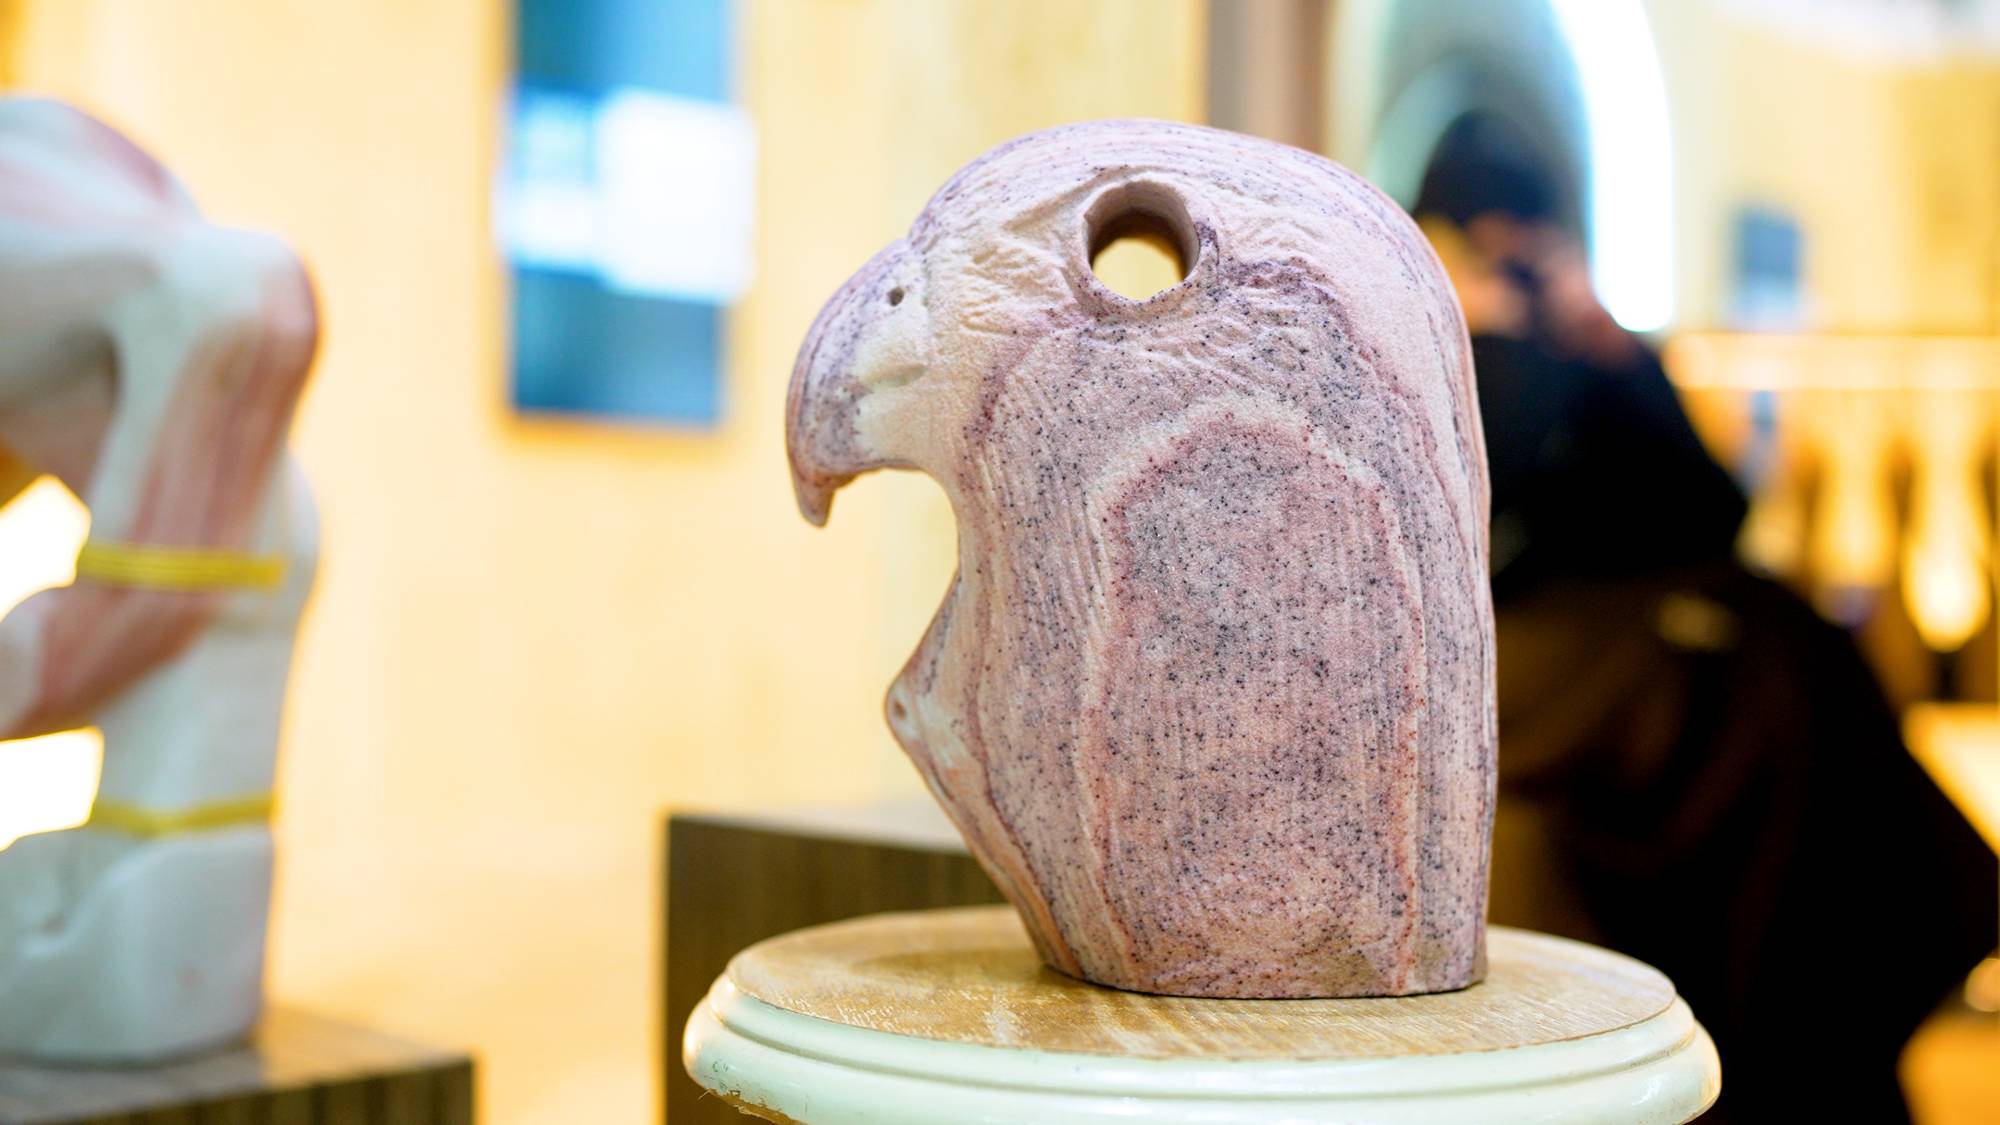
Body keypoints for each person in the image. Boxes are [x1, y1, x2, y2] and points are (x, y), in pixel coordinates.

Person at [1415, 111, 1996, 1124]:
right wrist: (1486, 342)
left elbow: (1711, 510)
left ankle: (1812, 1039)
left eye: (1530, 250)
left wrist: (1612, 357)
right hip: (1526, 659)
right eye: (1491, 248)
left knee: (1787, 673)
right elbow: (1462, 515)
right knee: (1733, 703)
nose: (1515, 272)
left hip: (1662, 648)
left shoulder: (1585, 356)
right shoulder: (1420, 347)